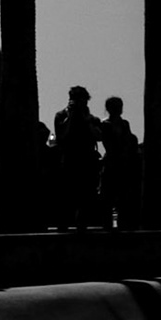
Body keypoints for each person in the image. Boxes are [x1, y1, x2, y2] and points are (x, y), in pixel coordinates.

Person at [53, 85, 103, 231]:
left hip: (87, 160)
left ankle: (82, 224)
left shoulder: (92, 119)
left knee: (86, 194)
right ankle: (63, 224)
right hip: (68, 159)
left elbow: (99, 136)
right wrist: (70, 117)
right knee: (66, 194)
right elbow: (61, 136)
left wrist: (86, 120)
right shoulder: (61, 116)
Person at [98, 97, 139, 229]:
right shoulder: (105, 125)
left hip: (122, 164)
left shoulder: (124, 124)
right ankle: (108, 227)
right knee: (108, 199)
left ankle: (123, 226)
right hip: (112, 163)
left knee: (123, 199)